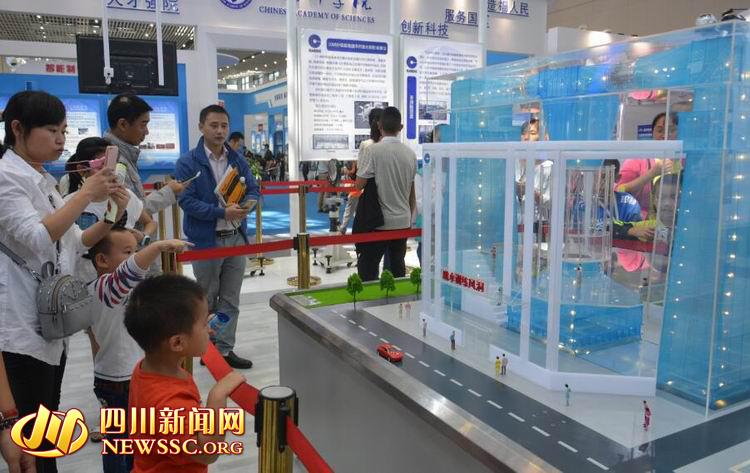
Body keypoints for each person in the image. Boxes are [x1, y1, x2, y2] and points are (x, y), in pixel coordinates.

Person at [0, 90, 127, 473]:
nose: (60, 140)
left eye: (64, 131)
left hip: (51, 321)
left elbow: (75, 242)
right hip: (20, 328)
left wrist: (112, 214)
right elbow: (37, 236)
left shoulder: (41, 178)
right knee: (32, 436)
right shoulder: (6, 177)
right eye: (52, 130)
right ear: (18, 129)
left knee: (45, 425)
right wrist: (85, 193)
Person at [87, 229, 191, 473]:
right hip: (117, 381)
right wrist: (156, 247)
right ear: (102, 260)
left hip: (132, 377)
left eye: (135, 251)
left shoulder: (126, 289)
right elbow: (129, 272)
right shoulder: (103, 288)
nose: (134, 257)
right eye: (127, 252)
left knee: (135, 443)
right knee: (119, 447)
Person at [124, 274, 245, 472]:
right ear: (177, 342)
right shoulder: (170, 403)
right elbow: (208, 453)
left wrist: (198, 332)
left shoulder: (146, 368)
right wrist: (217, 396)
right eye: (204, 324)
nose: (209, 329)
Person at [176, 105, 261, 369]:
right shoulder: (188, 162)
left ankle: (224, 349)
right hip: (206, 241)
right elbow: (187, 202)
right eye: (214, 125)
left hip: (235, 238)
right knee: (206, 299)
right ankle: (206, 349)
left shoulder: (237, 159)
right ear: (201, 127)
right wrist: (221, 212)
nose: (220, 131)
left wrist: (247, 205)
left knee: (230, 299)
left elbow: (253, 188)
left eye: (224, 125)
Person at [355, 107, 417, 281]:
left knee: (368, 269)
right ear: (401, 127)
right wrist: (409, 217)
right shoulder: (410, 154)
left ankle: (371, 298)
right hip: (403, 221)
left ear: (379, 125)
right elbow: (412, 192)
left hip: (379, 222)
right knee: (397, 268)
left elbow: (359, 185)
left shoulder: (373, 151)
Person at [105, 93, 187, 215]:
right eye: (143, 125)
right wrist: (170, 191)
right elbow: (131, 212)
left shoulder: (123, 154)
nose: (147, 132)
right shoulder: (112, 161)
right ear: (123, 124)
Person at [616, 112, 678, 217]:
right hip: (642, 222)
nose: (665, 135)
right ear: (652, 133)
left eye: (671, 130)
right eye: (660, 130)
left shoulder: (684, 161)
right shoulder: (636, 160)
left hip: (675, 220)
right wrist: (651, 174)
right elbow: (619, 191)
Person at [340, 108, 383, 234]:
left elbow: (360, 179)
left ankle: (343, 228)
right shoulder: (393, 146)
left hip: (370, 196)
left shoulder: (366, 145)